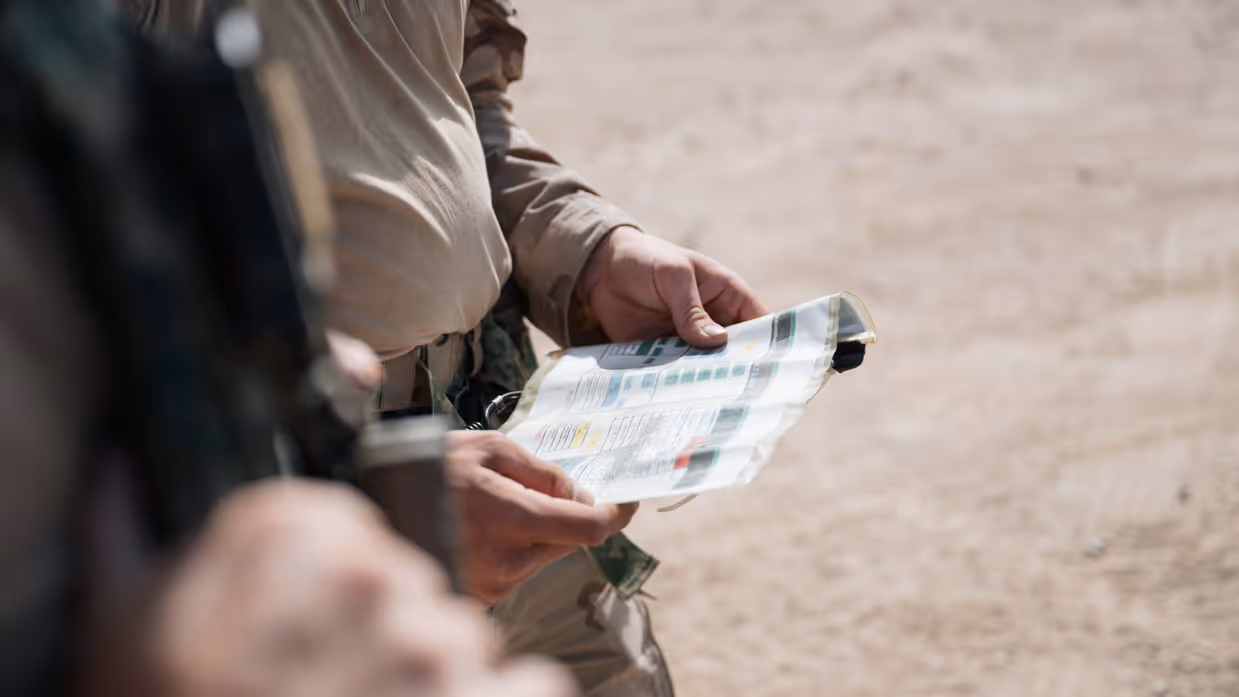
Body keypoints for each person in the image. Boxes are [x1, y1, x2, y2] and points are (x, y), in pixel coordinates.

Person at [122, 1, 770, 694]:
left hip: (499, 417)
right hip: (291, 545)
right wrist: (364, 482)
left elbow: (461, 97)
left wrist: (587, 250)